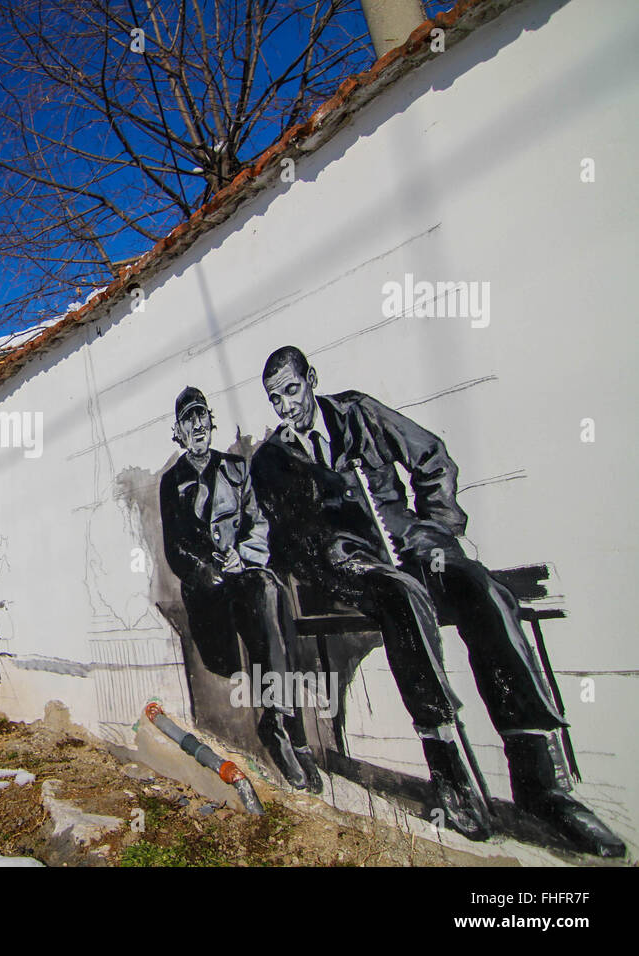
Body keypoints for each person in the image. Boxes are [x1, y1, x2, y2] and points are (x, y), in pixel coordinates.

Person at [249, 345, 624, 855]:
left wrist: (438, 531)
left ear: (310, 379)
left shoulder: (358, 412)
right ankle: (450, 771)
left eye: (292, 391)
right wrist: (337, 557)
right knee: (401, 596)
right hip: (349, 567)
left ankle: (542, 786)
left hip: (407, 541)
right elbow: (291, 540)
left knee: (479, 587)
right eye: (275, 400)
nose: (287, 407)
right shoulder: (272, 460)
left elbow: (430, 456)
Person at [159, 386, 318, 792]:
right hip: (207, 593)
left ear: (210, 422)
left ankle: (280, 723)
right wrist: (208, 567)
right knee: (247, 604)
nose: (196, 426)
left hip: (242, 577)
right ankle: (280, 724)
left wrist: (242, 556)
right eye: (187, 420)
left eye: (201, 417)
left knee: (266, 587)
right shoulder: (171, 482)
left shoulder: (236, 468)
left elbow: (257, 522)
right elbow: (175, 548)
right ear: (177, 431)